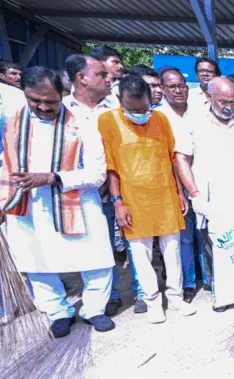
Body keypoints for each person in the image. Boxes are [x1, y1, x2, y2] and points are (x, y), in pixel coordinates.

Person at [0, 66, 117, 337]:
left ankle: (94, 310)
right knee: (37, 261)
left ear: (61, 94)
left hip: (77, 200)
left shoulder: (83, 124)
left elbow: (97, 173)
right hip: (27, 205)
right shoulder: (12, 122)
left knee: (96, 258)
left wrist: (51, 177)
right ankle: (58, 311)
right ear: (25, 95)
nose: (42, 107)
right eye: (35, 100)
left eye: (50, 101)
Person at [99, 74, 194, 323]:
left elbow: (172, 158)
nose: (141, 113)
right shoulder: (107, 121)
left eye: (144, 107)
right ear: (120, 100)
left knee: (172, 251)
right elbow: (111, 167)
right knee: (141, 255)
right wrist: (118, 202)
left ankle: (175, 299)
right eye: (133, 109)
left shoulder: (160, 118)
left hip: (165, 195)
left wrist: (180, 193)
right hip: (133, 199)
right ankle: (152, 302)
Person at [175, 77, 234, 312]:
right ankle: (222, 295)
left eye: (232, 101)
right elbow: (181, 159)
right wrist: (194, 193)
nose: (228, 106)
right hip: (211, 200)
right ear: (208, 97)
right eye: (223, 101)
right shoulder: (193, 123)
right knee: (215, 248)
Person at [63, 54, 142, 315]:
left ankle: (140, 292)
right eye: (101, 74)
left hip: (119, 189)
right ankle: (107, 298)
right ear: (81, 78)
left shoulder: (115, 109)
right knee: (96, 247)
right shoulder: (63, 110)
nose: (109, 78)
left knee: (131, 242)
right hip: (78, 192)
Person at [157, 68, 207, 303]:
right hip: (173, 185)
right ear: (162, 88)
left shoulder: (200, 113)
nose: (178, 90)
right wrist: (180, 191)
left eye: (182, 86)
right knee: (183, 237)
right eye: (172, 86)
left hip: (203, 180)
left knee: (205, 234)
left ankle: (208, 278)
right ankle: (187, 283)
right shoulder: (158, 117)